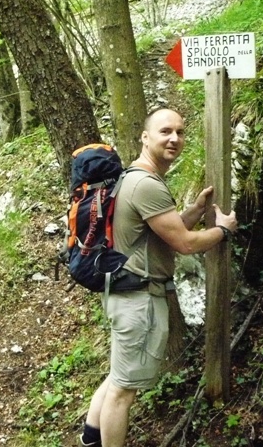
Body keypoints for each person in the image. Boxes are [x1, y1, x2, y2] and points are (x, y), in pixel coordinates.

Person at [78, 108, 238, 447]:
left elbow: (158, 232)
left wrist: (193, 212)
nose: (175, 138)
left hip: (125, 295)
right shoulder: (146, 184)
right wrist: (222, 231)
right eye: (165, 131)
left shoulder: (132, 179)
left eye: (180, 131)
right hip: (138, 300)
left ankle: (90, 439)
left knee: (118, 377)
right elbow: (184, 243)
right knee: (123, 391)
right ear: (145, 137)